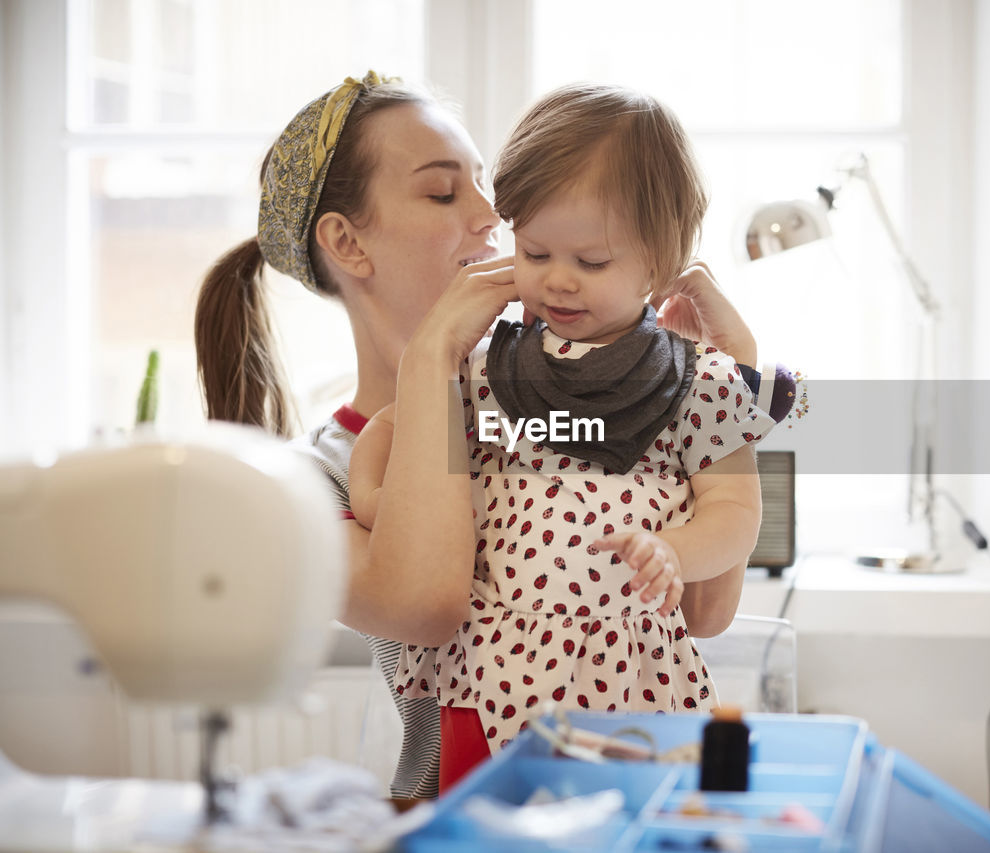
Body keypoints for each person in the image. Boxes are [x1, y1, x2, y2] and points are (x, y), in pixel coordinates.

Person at [193, 72, 776, 800]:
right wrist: (432, 355)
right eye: (444, 192)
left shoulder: (575, 391)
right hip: (452, 809)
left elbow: (705, 612)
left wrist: (735, 383)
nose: (490, 214)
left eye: (483, 184)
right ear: (347, 241)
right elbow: (432, 602)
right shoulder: (308, 482)